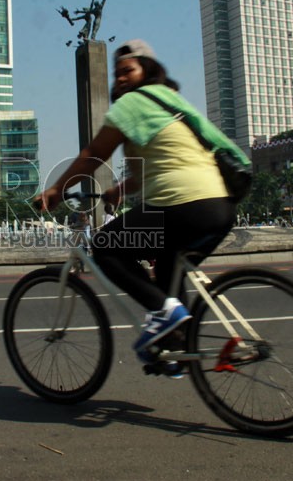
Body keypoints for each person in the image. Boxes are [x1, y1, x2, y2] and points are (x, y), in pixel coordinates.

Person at [37, 39, 249, 367]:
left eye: (128, 70)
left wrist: (55, 190)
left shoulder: (132, 104)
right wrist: (120, 190)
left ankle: (166, 317)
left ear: (146, 71)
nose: (120, 78)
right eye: (117, 74)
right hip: (218, 206)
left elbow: (93, 155)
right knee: (167, 273)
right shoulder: (170, 102)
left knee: (106, 246)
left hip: (183, 204)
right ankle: (177, 350)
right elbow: (168, 162)